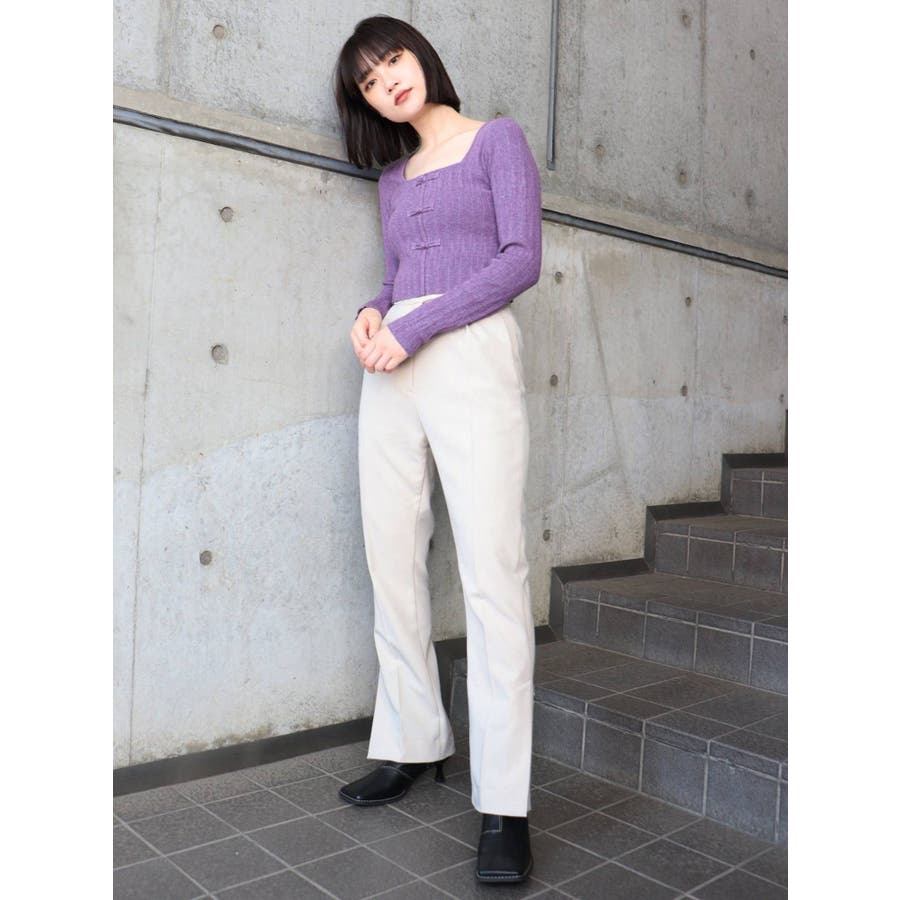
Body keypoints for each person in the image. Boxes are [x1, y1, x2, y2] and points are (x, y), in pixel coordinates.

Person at [332, 14, 542, 884]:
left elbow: (519, 260)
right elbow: (397, 276)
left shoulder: (497, 139)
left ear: (419, 56)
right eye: (370, 81)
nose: (388, 81)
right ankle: (412, 741)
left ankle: (504, 804)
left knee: (493, 575)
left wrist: (419, 327)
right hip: (391, 365)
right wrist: (372, 311)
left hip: (470, 352)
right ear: (368, 104)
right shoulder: (392, 179)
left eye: (392, 60)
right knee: (391, 560)